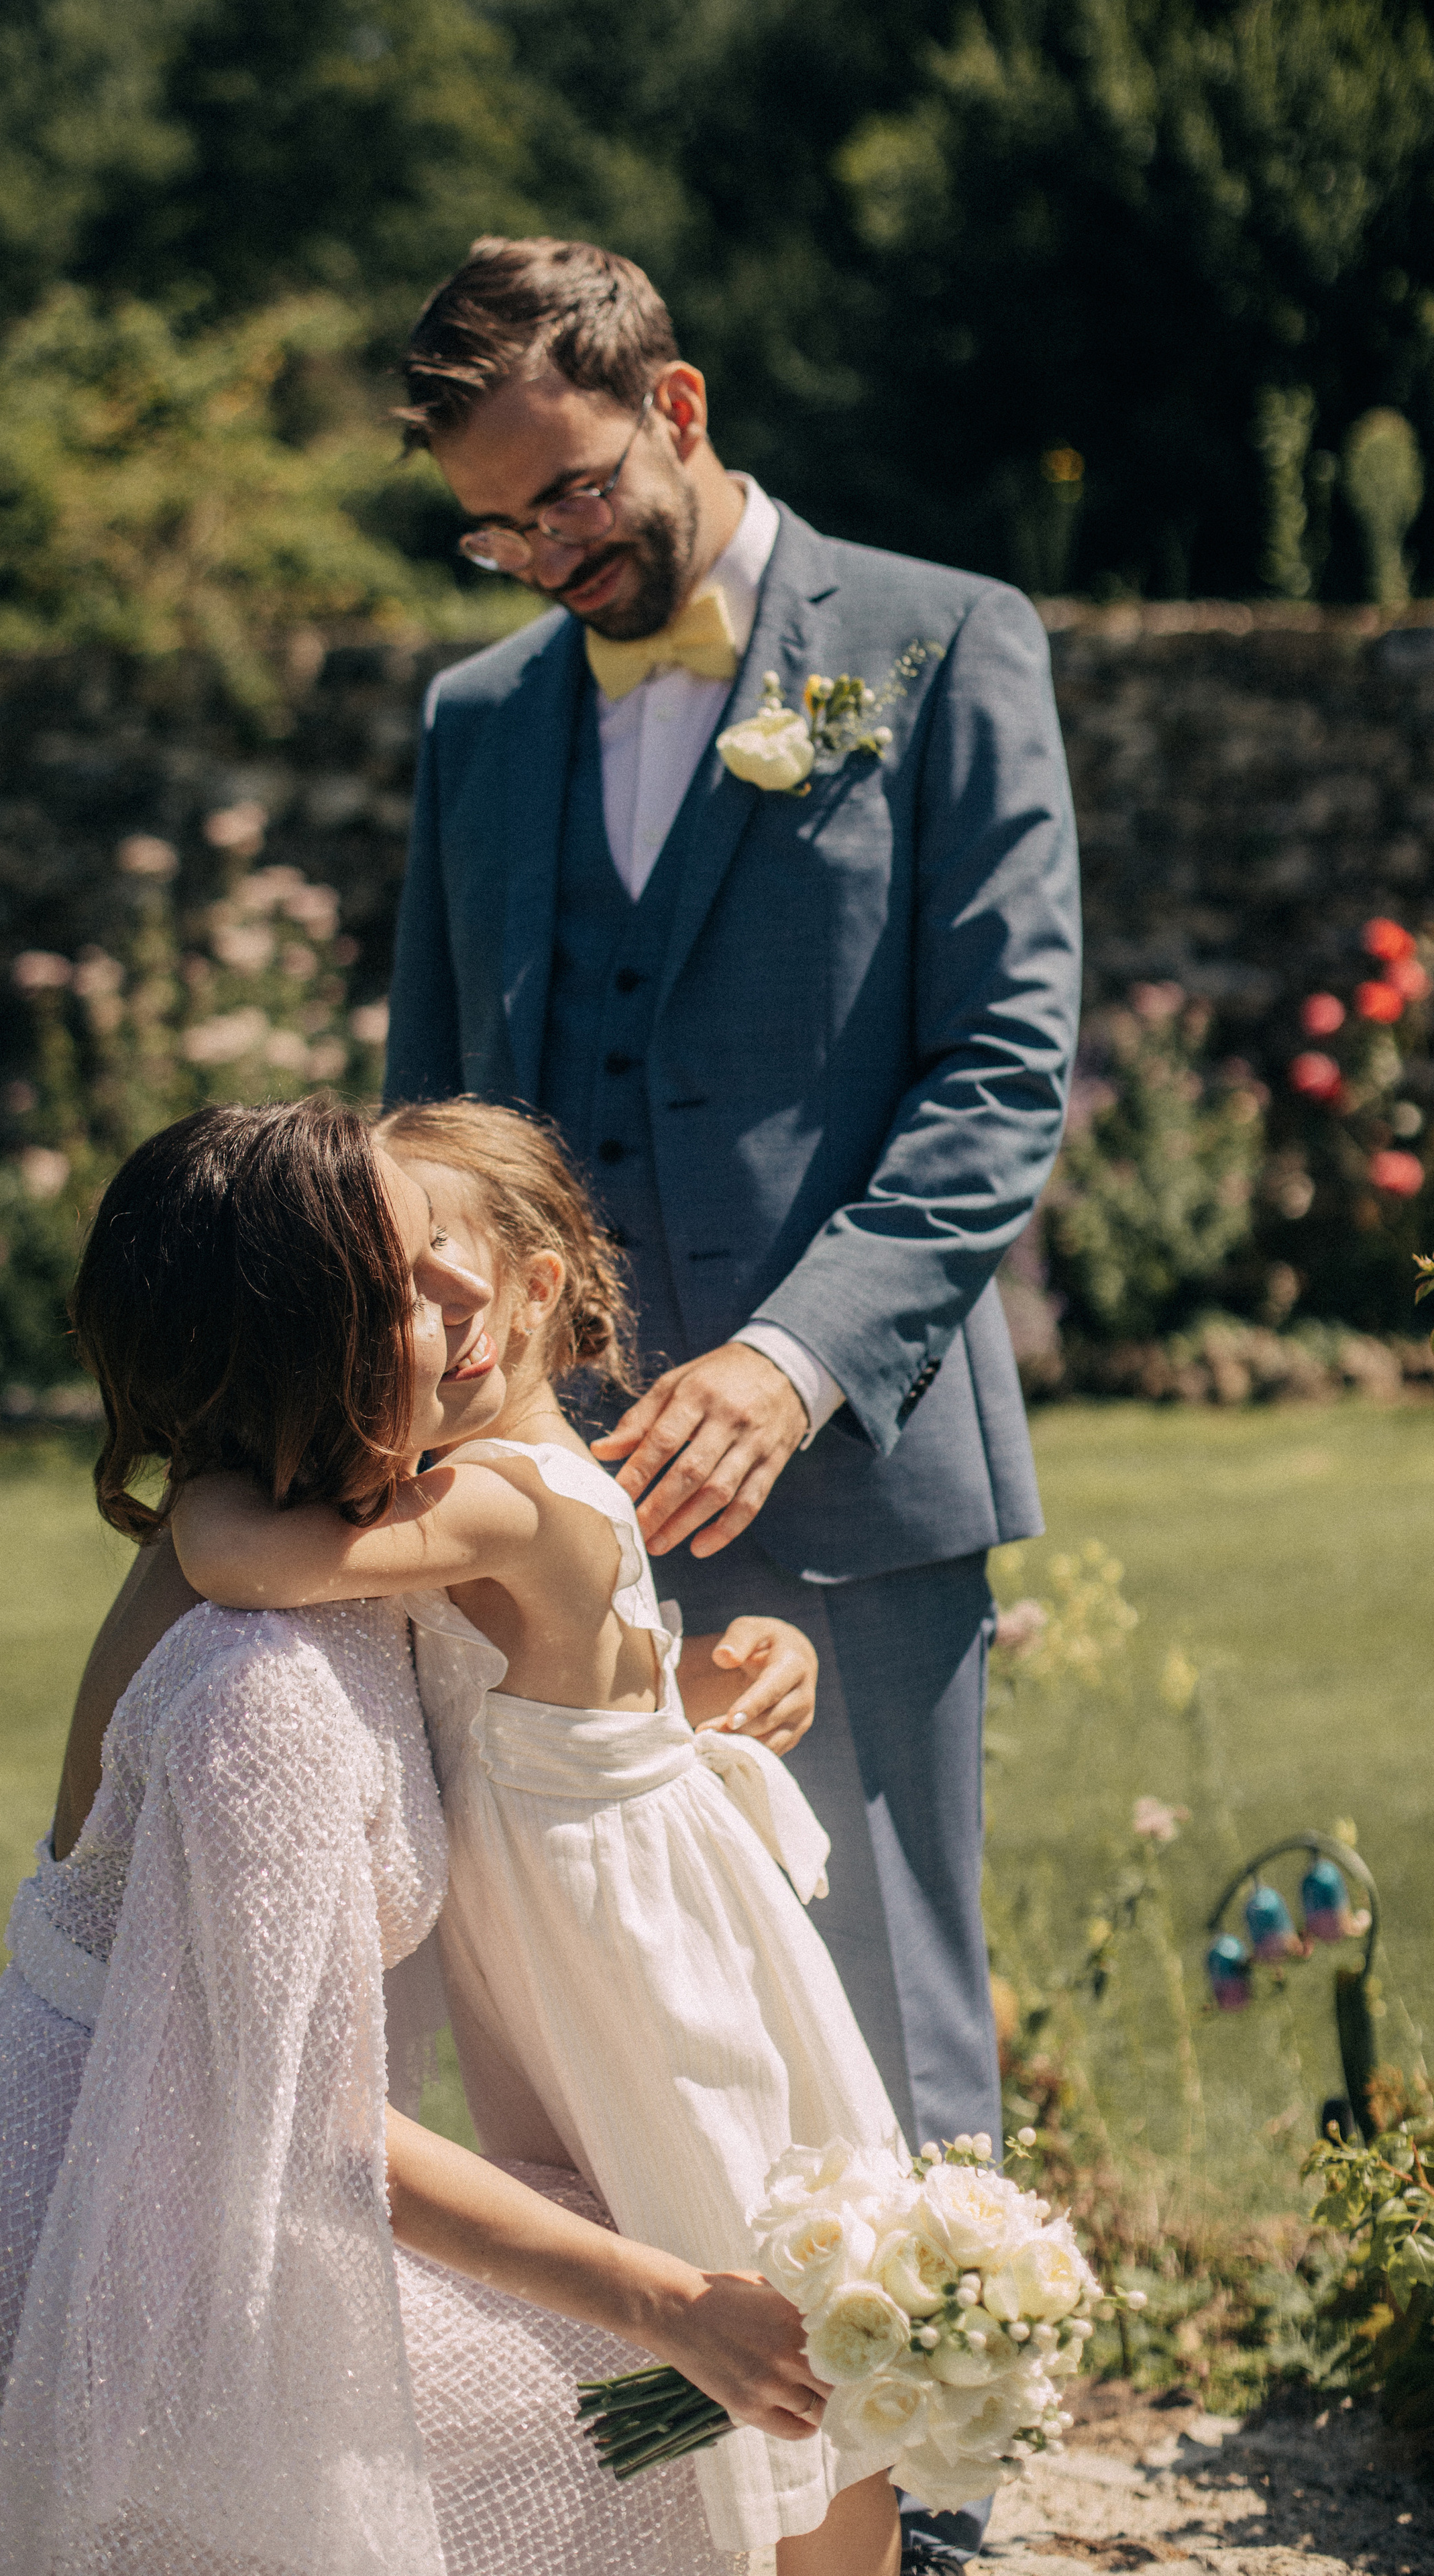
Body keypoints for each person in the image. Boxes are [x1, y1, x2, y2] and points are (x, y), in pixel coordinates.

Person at [382, 235, 1083, 2563]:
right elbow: (430, 1118)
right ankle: (683, 2526)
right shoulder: (480, 722)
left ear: (677, 402)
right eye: (498, 529)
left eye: (570, 492)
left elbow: (1002, 1071)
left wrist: (795, 1359)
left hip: (856, 1469)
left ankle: (935, 2520)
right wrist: (459, 1426)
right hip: (545, 1509)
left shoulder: (949, 640)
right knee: (607, 2058)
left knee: (877, 2026)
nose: (547, 552)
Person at [0, 1099, 828, 2576]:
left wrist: (689, 1689)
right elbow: (303, 2122)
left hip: (142, 2191)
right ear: (302, 1341)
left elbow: (554, 1694)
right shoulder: (271, 1693)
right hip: (76, 2267)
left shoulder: (345, 1563)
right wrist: (660, 2305)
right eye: (400, 1277)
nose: (461, 1291)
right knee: (675, 2408)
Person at [175, 1095, 903, 2571]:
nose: (408, 1327)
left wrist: (196, 1455)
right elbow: (613, 1693)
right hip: (583, 1931)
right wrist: (732, 1670)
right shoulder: (530, 1491)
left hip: (625, 1968)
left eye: (437, 1279)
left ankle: (826, 2549)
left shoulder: (506, 1499)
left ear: (532, 1289)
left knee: (714, 2243)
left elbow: (243, 1558)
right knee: (685, 2273)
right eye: (372, 1299)